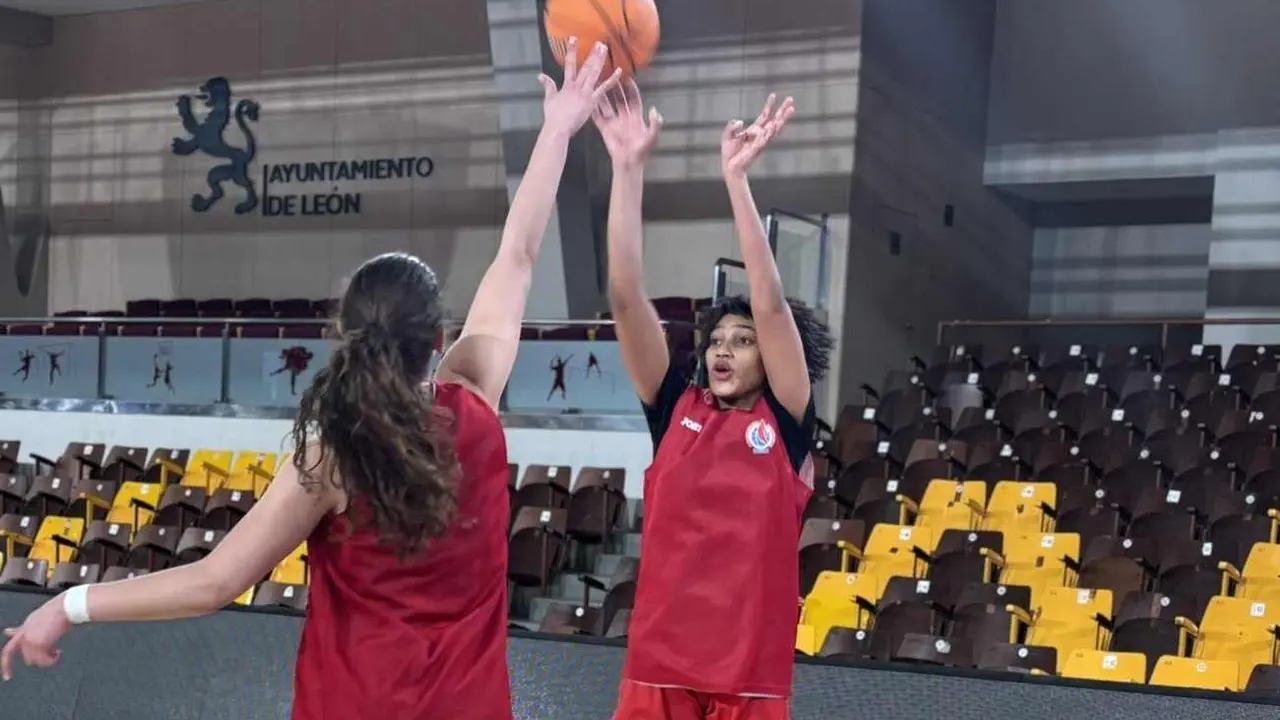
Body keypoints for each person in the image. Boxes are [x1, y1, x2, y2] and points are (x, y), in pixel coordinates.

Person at [0, 37, 622, 720]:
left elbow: (214, 581)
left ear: (345, 337)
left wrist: (68, 603)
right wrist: (559, 128)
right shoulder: (476, 400)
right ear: (440, 340)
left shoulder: (331, 458)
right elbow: (521, 252)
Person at [595, 84, 834, 720]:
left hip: (748, 679)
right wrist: (627, 169)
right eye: (716, 341)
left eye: (743, 340)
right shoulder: (675, 409)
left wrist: (736, 181)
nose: (723, 351)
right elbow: (624, 296)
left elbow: (773, 305)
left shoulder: (784, 424)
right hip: (658, 668)